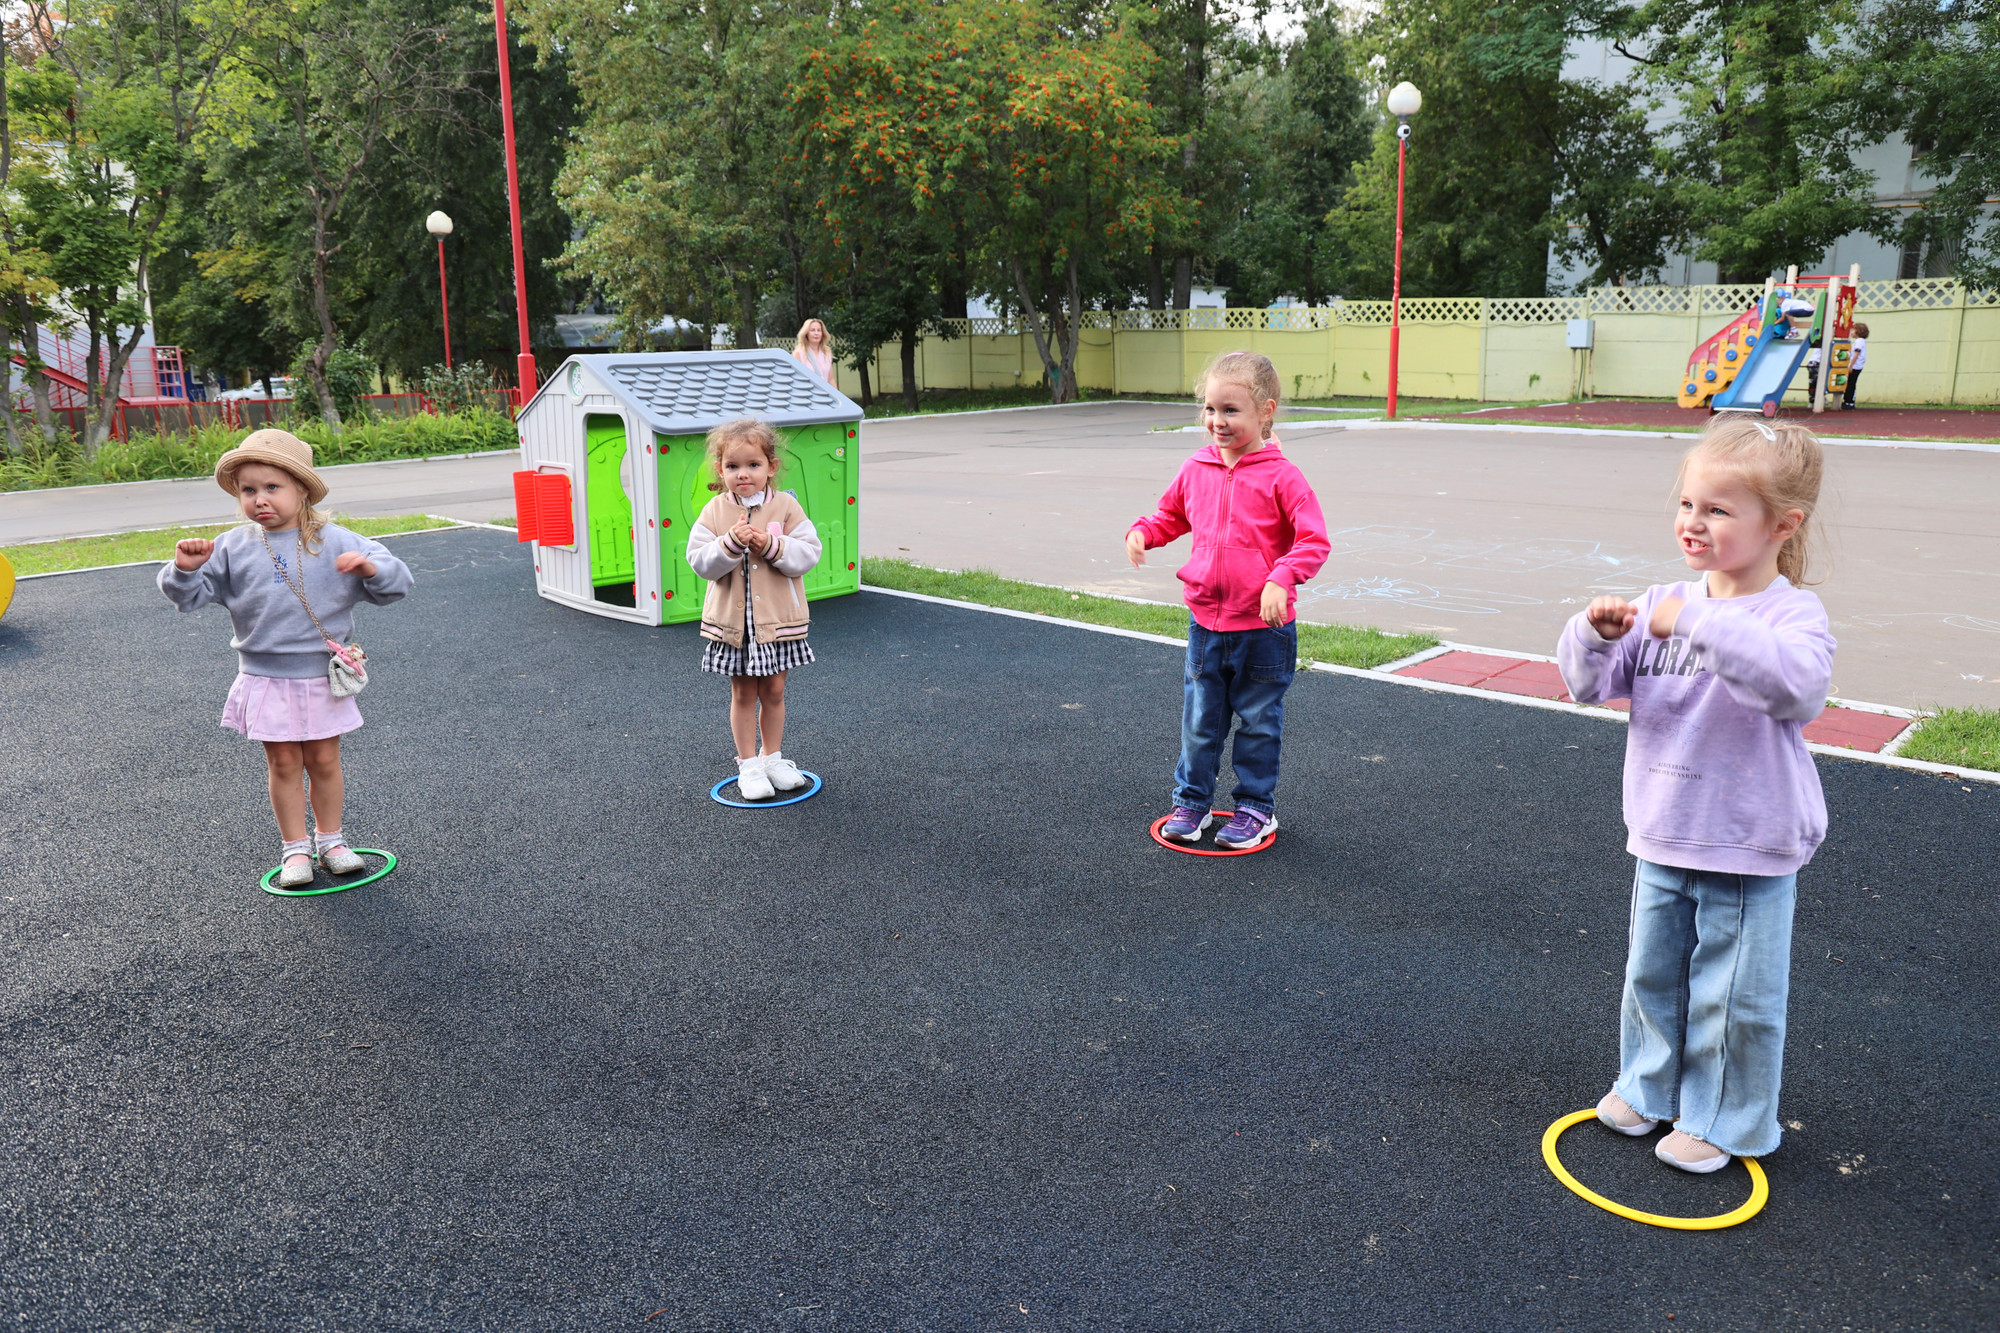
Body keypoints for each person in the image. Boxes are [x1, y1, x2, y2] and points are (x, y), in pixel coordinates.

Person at [1556, 415, 1834, 1174]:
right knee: (1652, 974)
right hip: (1664, 829)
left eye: (1717, 509)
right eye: (1687, 504)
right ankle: (1646, 1085)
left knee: (1734, 995)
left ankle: (1725, 1117)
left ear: (1782, 524)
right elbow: (1586, 685)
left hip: (1747, 842)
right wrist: (1594, 632)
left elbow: (1797, 689)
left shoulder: (1790, 615)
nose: (1692, 521)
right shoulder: (1661, 603)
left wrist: (1701, 621)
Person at [159, 429, 413, 887]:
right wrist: (183, 568)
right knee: (282, 765)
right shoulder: (233, 547)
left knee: (324, 761)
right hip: (266, 677)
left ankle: (331, 841)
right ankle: (295, 849)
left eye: (272, 487)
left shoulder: (334, 540)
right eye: (248, 490)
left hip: (320, 676)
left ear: (302, 490)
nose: (259, 499)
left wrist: (370, 568)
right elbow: (187, 597)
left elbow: (397, 584)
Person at [1126, 351, 1330, 850]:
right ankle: (1191, 803)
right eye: (1211, 409)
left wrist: (1282, 577)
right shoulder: (1196, 467)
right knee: (1201, 721)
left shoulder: (1283, 477)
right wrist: (1145, 531)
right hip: (1206, 624)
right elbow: (1171, 514)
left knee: (1259, 723)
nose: (1218, 421)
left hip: (1264, 630)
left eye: (1231, 410)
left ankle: (1256, 810)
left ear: (1266, 411)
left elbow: (1313, 540)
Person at [687, 417, 822, 800]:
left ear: (770, 467)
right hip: (735, 625)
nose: (742, 474)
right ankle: (748, 766)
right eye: (732, 466)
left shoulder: (786, 506)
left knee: (776, 689)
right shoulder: (714, 512)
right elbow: (700, 562)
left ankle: (772, 758)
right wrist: (729, 542)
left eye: (752, 465)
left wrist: (771, 546)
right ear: (720, 470)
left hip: (777, 622)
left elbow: (808, 554)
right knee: (744, 692)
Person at [1804, 321, 1867, 409]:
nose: (1851, 332)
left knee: (1849, 383)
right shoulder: (1825, 341)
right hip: (1816, 362)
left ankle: (1848, 401)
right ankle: (1818, 399)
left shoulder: (1859, 341)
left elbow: (1856, 353)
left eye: (1853, 330)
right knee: (1819, 381)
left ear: (1858, 331)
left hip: (1855, 366)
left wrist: (1851, 365)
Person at [791, 319, 834, 384]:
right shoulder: (798, 353)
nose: (816, 333)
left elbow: (831, 379)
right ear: (806, 333)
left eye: (819, 330)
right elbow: (796, 380)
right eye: (812, 330)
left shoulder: (827, 352)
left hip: (824, 393)